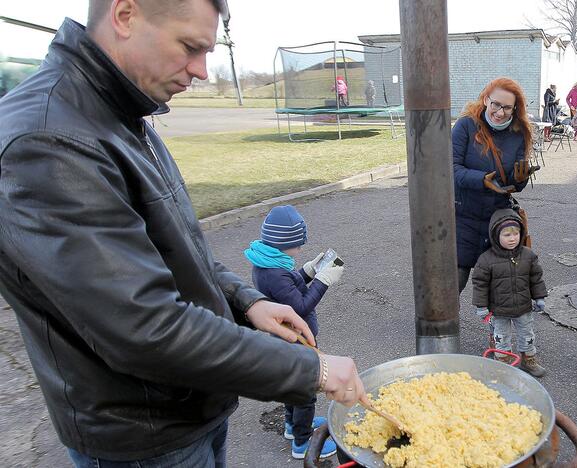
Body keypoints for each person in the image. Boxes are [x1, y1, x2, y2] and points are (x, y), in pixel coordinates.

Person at [0, 1, 364, 466]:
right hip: (141, 434)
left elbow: (178, 250)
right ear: (126, 14)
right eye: (190, 47)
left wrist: (245, 300)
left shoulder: (125, 113)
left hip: (190, 406)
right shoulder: (50, 139)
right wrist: (314, 370)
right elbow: (142, 328)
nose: (202, 71)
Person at [244, 205, 345, 460]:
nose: (300, 250)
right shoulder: (275, 273)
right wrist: (324, 280)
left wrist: (309, 272)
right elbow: (299, 307)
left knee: (292, 382)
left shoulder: (268, 263)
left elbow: (289, 288)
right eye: (297, 245)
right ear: (283, 242)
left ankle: (293, 426)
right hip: (297, 338)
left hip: (286, 338)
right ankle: (302, 442)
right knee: (305, 387)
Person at [452, 77, 536, 296]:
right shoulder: (466, 125)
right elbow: (450, 168)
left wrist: (520, 179)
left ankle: (498, 331)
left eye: (507, 107)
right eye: (495, 104)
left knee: (500, 291)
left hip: (496, 222)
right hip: (462, 217)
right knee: (451, 287)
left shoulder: (518, 133)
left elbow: (513, 186)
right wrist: (481, 180)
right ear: (485, 99)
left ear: (515, 109)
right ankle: (442, 330)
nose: (500, 112)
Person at [471, 209, 547, 377]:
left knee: (527, 335)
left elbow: (536, 278)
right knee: (501, 337)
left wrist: (539, 297)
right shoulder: (486, 259)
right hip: (499, 310)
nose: (512, 238)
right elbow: (480, 284)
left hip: (523, 307)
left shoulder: (528, 255)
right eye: (506, 235)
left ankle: (529, 360)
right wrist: (481, 306)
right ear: (495, 236)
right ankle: (503, 362)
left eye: (516, 234)